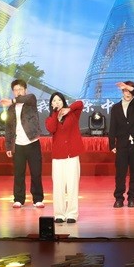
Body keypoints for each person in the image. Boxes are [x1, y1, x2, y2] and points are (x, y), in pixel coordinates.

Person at [0, 79, 45, 208]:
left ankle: (37, 199)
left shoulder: (30, 100)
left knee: (36, 172)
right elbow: (9, 128)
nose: (18, 92)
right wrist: (9, 146)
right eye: (15, 90)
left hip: (32, 142)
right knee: (19, 173)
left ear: (25, 90)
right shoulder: (11, 109)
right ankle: (19, 199)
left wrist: (12, 101)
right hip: (18, 145)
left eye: (20, 89)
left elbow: (27, 98)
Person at [45, 91, 85, 223]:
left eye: (59, 100)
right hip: (58, 157)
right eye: (54, 101)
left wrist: (69, 109)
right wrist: (56, 114)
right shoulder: (50, 118)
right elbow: (51, 129)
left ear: (63, 102)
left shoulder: (73, 114)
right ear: (51, 104)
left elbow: (80, 104)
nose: (57, 102)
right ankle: (59, 214)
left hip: (72, 155)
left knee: (72, 185)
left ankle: (72, 213)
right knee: (58, 186)